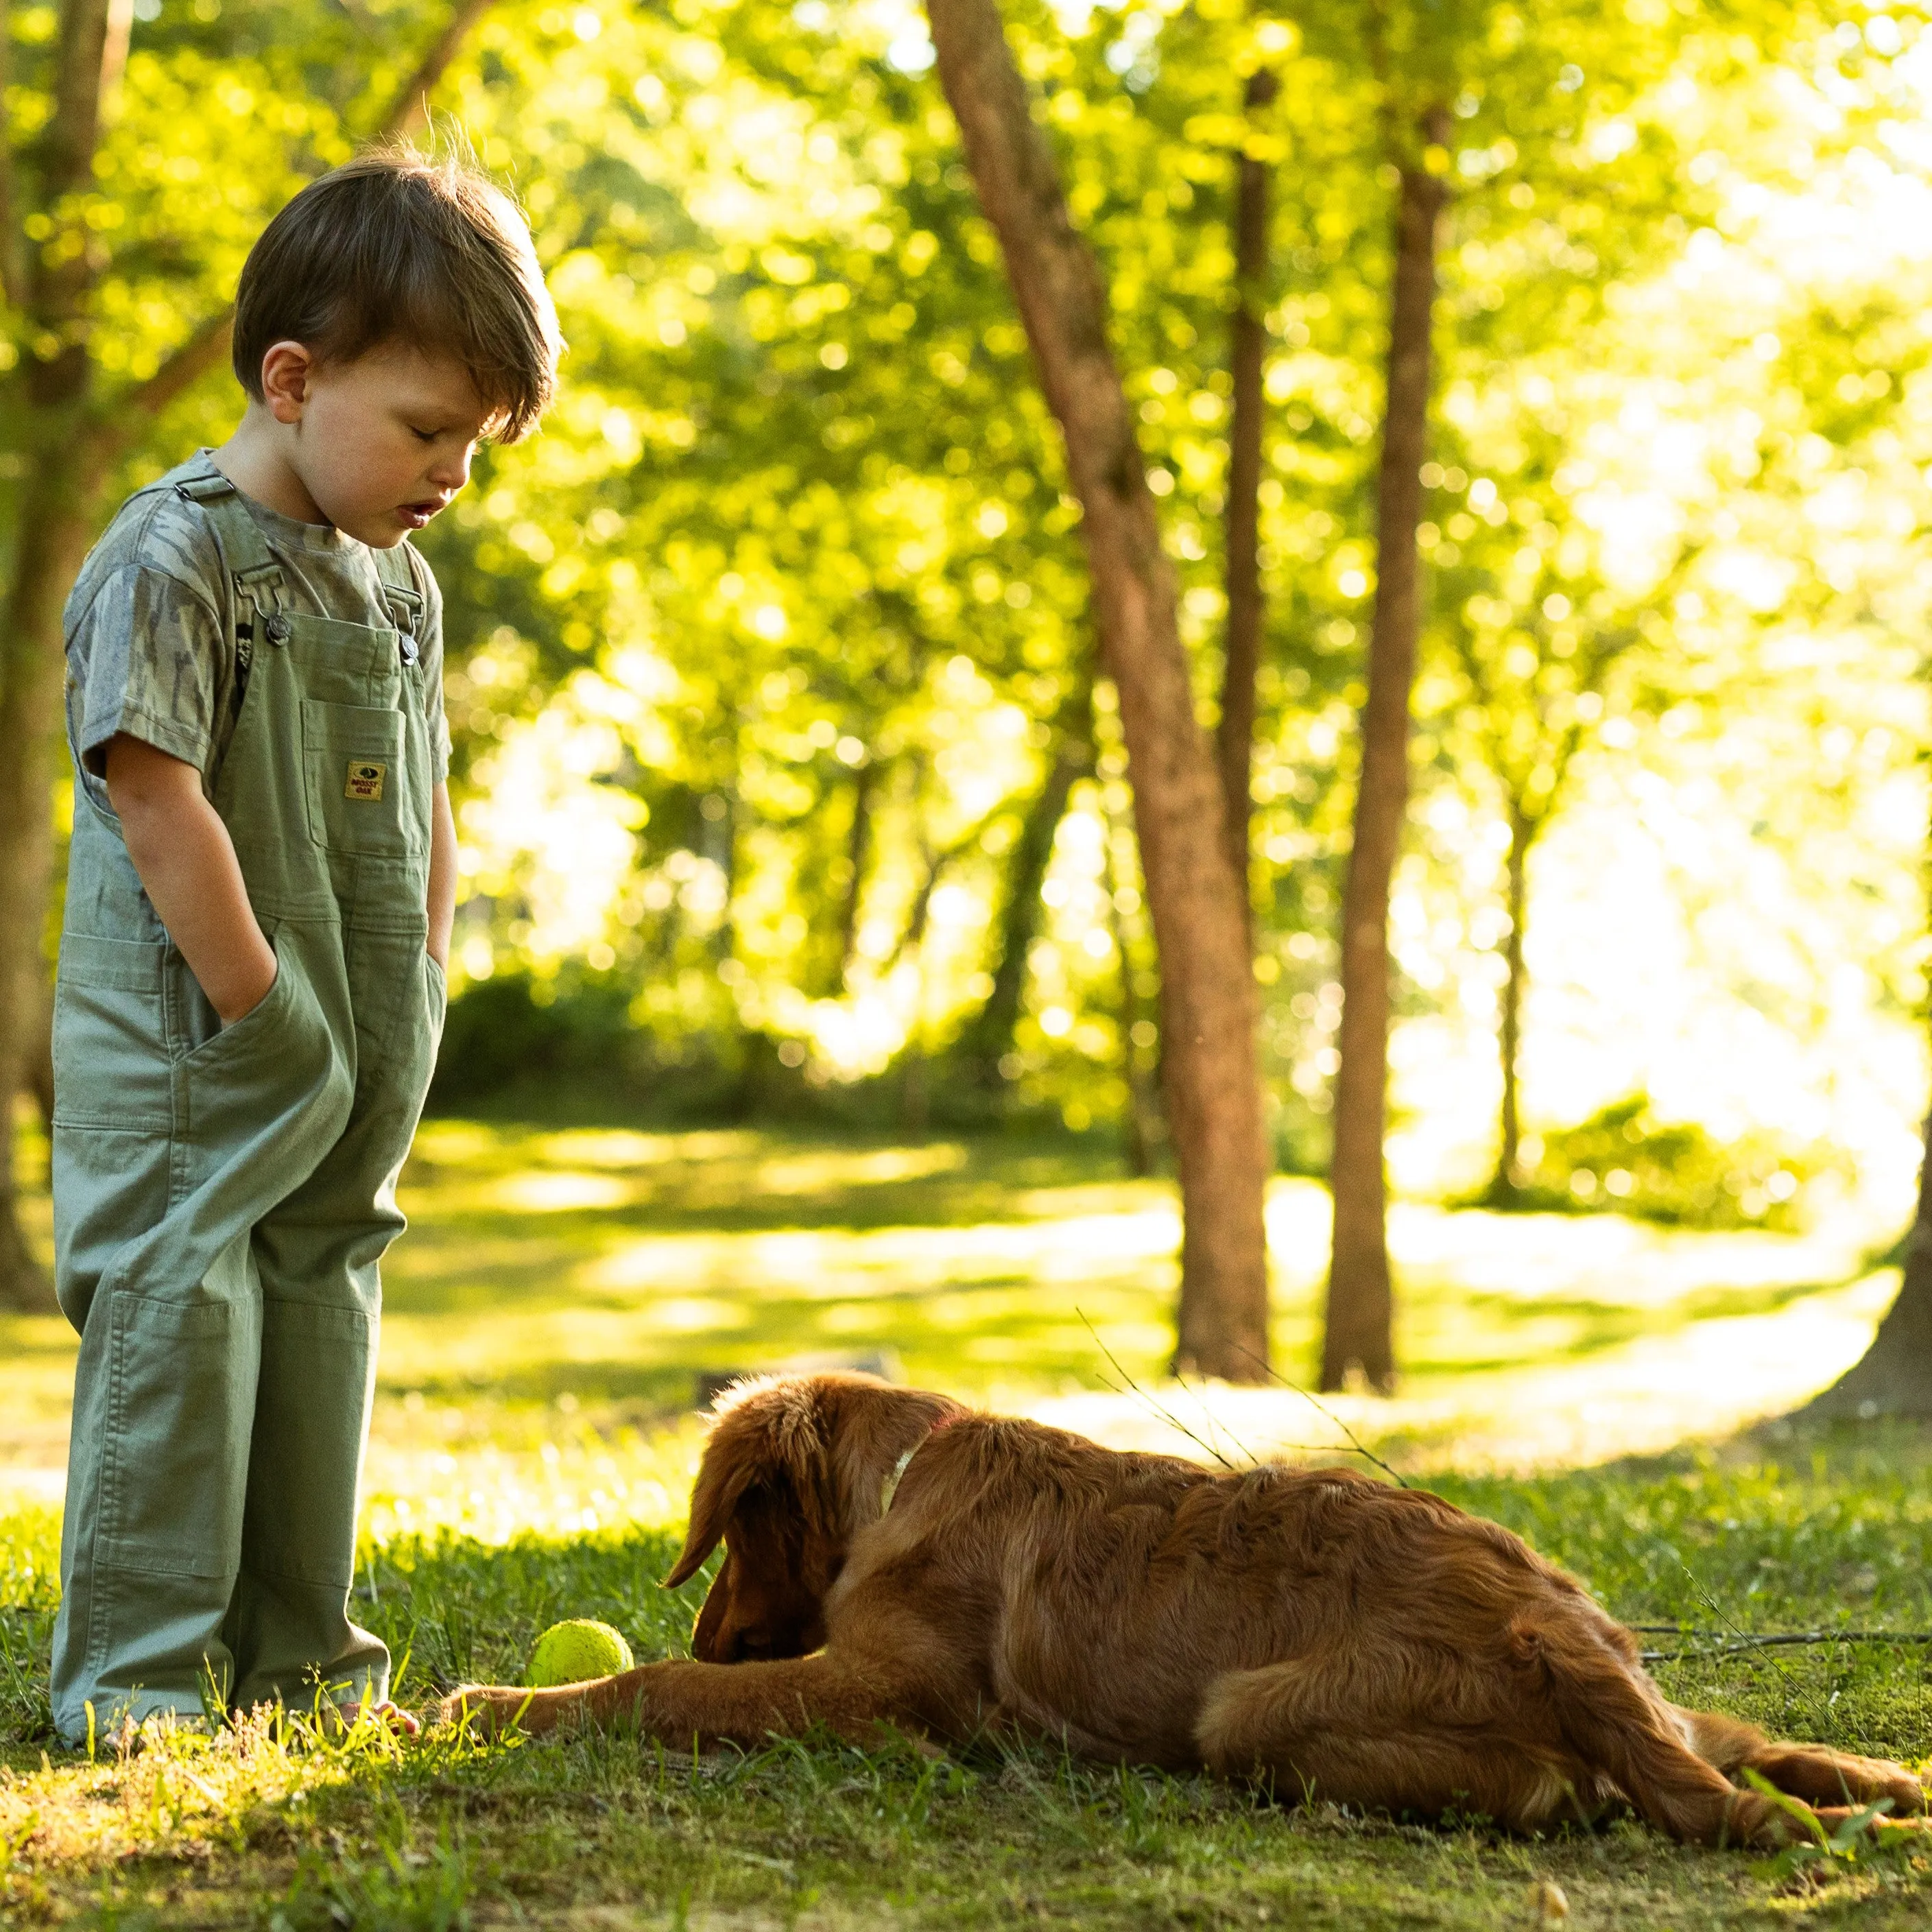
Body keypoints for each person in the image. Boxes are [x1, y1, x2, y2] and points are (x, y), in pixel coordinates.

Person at [48, 144, 560, 1745]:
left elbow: (425, 791)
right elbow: (155, 794)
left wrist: (422, 966)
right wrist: (261, 1006)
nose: (450, 475)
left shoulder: (399, 583)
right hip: (212, 1027)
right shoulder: (172, 554)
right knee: (183, 1310)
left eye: (473, 444)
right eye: (426, 430)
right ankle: (137, 1683)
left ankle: (297, 1657)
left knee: (322, 1292)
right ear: (292, 379)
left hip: (363, 1013)